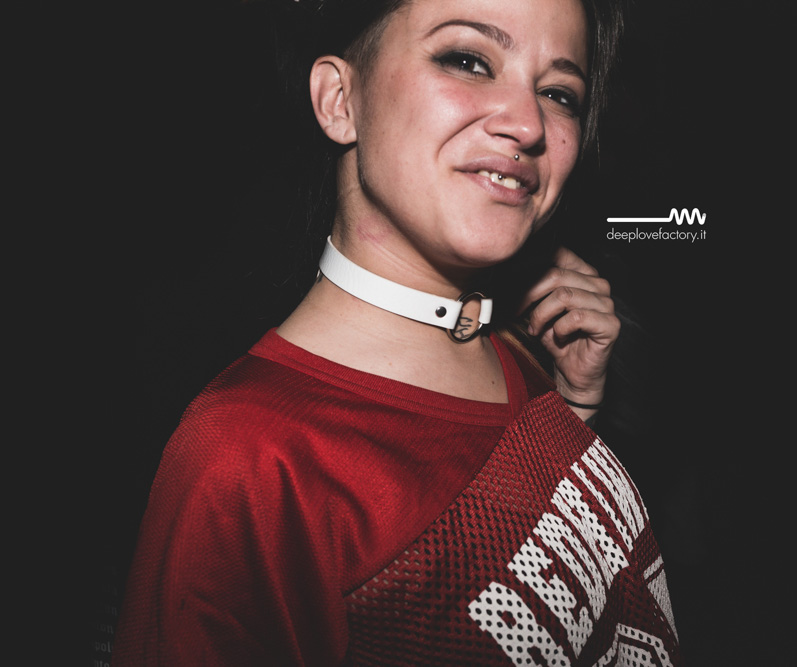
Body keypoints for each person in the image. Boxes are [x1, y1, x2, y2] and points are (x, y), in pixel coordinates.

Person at [114, 0, 682, 664]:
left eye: (559, 94)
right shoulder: (248, 462)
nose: (529, 124)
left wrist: (573, 412)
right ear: (339, 100)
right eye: (468, 60)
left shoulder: (518, 351)